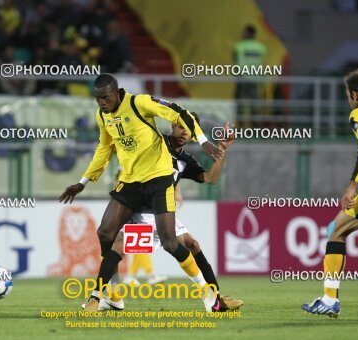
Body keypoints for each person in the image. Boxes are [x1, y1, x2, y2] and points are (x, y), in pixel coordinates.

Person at [59, 73, 223, 312]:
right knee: (105, 232)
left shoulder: (139, 103)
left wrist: (203, 139)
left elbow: (179, 111)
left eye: (105, 98)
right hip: (131, 181)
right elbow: (104, 148)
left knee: (170, 242)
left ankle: (208, 293)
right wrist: (83, 181)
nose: (101, 103)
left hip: (158, 179)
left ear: (117, 93)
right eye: (97, 99)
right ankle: (112, 296)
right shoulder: (103, 115)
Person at [89, 116, 244, 312]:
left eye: (189, 129)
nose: (184, 132)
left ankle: (216, 297)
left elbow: (211, 178)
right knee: (118, 247)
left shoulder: (185, 160)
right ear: (173, 125)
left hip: (162, 211)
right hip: (140, 210)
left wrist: (222, 149)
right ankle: (103, 297)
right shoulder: (155, 141)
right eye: (180, 126)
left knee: (192, 244)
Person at [302, 69, 358, 318]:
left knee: (336, 231)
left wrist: (352, 185)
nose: (348, 99)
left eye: (347, 94)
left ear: (355, 95)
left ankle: (330, 299)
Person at [234, 24, 266, 127]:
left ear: (249, 33)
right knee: (254, 104)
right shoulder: (261, 48)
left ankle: (241, 127)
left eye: (244, 32)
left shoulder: (239, 46)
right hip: (256, 78)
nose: (242, 34)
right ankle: (254, 127)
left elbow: (235, 60)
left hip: (243, 78)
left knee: (240, 103)